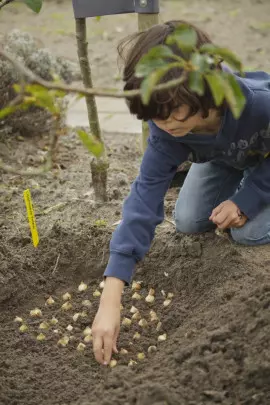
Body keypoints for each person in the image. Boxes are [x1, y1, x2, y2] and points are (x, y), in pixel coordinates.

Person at [92, 20, 270, 365]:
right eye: (155, 115)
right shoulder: (167, 128)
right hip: (225, 157)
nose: (165, 124)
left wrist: (245, 201)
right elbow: (143, 200)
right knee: (188, 219)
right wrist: (110, 298)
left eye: (173, 111)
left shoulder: (258, 107)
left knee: (248, 233)